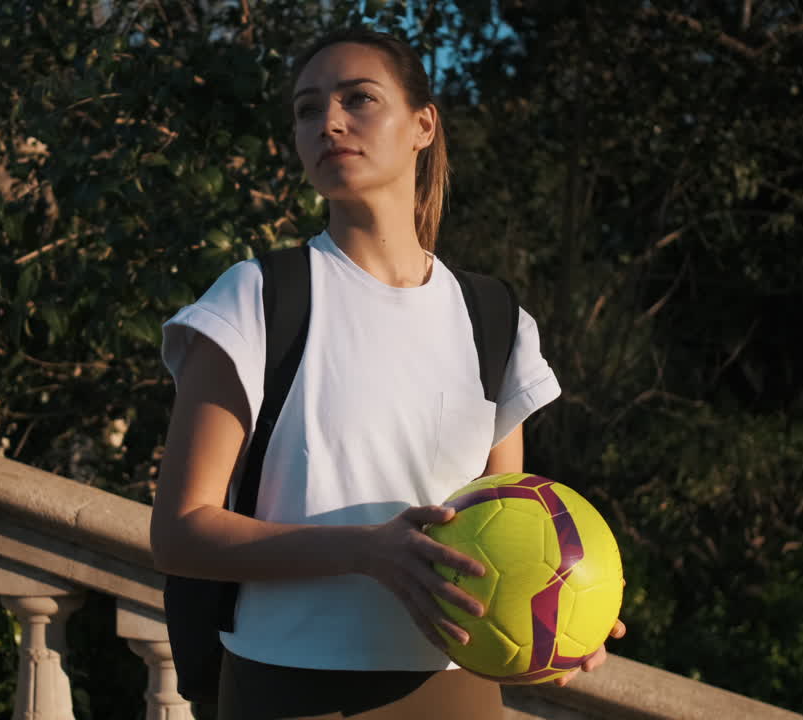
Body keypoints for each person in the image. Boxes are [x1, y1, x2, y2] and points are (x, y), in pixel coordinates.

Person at [151, 26, 624, 719]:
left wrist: (559, 616)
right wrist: (365, 552)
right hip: (285, 688)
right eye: (308, 109)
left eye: (358, 99)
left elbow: (507, 517)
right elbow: (180, 532)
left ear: (422, 126)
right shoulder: (257, 297)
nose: (330, 122)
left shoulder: (494, 319)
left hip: (455, 693)